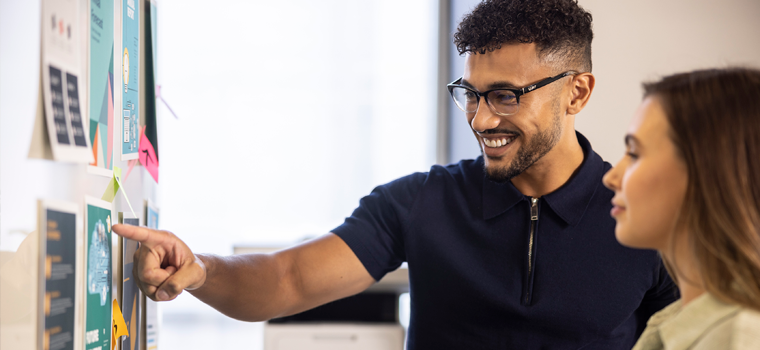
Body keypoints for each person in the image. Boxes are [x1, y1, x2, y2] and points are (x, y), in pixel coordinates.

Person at [113, 0, 677, 348]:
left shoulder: (647, 220)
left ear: (577, 91)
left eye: (505, 96)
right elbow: (288, 281)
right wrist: (201, 270)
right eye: (470, 95)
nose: (481, 119)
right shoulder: (421, 202)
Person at [603, 67, 760, 349]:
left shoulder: (740, 337)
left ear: (710, 172)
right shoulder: (676, 321)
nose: (611, 178)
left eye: (635, 154)